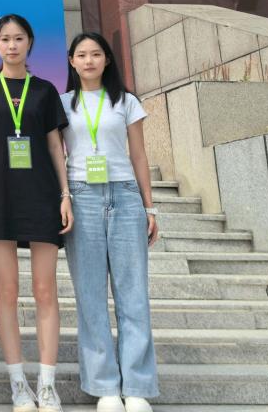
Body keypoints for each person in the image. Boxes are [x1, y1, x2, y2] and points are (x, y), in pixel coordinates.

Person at [0, 14, 72, 412]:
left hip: (42, 196)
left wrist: (65, 195)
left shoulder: (45, 90)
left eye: (19, 39)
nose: (12, 46)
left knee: (45, 291)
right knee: (7, 290)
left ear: (30, 43)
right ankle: (17, 382)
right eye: (5, 39)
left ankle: (47, 384)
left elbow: (55, 146)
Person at [61, 32, 159, 412]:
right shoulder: (63, 103)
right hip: (81, 195)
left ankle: (136, 385)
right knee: (90, 294)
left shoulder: (126, 101)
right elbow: (56, 153)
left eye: (96, 54)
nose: (89, 61)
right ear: (72, 61)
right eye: (81, 55)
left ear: (107, 60)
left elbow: (139, 155)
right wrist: (63, 197)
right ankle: (104, 385)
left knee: (133, 294)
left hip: (124, 195)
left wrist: (150, 207)